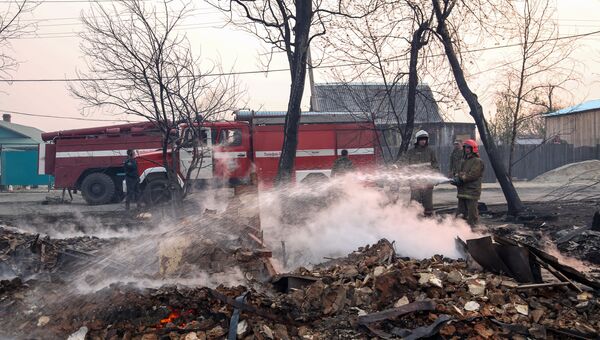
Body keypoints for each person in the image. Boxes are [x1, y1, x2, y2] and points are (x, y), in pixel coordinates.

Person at [404, 130, 439, 216]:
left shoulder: (430, 151)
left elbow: (435, 166)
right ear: (417, 140)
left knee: (428, 206)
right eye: (421, 139)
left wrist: (435, 178)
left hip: (427, 184)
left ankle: (428, 222)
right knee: (414, 204)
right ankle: (414, 222)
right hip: (415, 184)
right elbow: (403, 161)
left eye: (425, 139)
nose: (423, 141)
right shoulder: (411, 152)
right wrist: (396, 166)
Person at [450, 139, 484, 227]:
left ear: (474, 149)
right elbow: (459, 173)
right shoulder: (463, 161)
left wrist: (460, 177)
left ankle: (474, 230)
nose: (467, 149)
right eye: (465, 148)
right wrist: (456, 180)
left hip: (472, 191)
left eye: (469, 147)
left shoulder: (477, 161)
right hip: (462, 192)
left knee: (472, 214)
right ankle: (461, 230)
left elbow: (473, 175)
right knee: (461, 213)